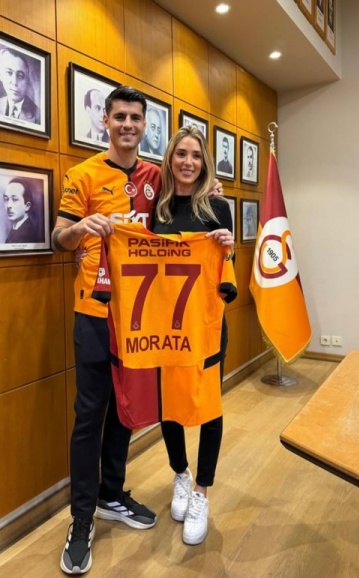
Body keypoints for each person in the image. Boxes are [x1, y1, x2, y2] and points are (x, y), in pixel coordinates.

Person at [53, 85, 222, 575]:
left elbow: (189, 191)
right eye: (120, 116)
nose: (128, 125)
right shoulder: (83, 174)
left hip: (141, 320)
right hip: (94, 312)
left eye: (135, 118)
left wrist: (212, 192)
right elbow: (59, 237)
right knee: (90, 413)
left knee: (126, 411)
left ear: (145, 126)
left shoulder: (156, 176)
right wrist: (82, 228)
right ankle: (81, 518)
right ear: (105, 121)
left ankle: (111, 493)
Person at [152, 125, 234, 546]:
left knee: (209, 407)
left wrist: (228, 245)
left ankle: (202, 491)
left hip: (206, 324)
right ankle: (181, 475)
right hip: (165, 326)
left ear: (204, 163)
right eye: (181, 154)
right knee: (169, 405)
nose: (188, 162)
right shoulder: (159, 210)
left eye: (196, 155)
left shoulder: (218, 206)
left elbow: (227, 267)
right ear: (170, 159)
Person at [0, 46, 39, 123]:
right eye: (9, 73)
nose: (14, 82)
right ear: (1, 76)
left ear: (27, 80)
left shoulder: (38, 115)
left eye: (20, 76)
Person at [3, 177, 42, 243]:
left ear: (27, 206)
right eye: (6, 199)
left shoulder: (29, 234)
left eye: (15, 199)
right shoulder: (14, 229)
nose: (8, 205)